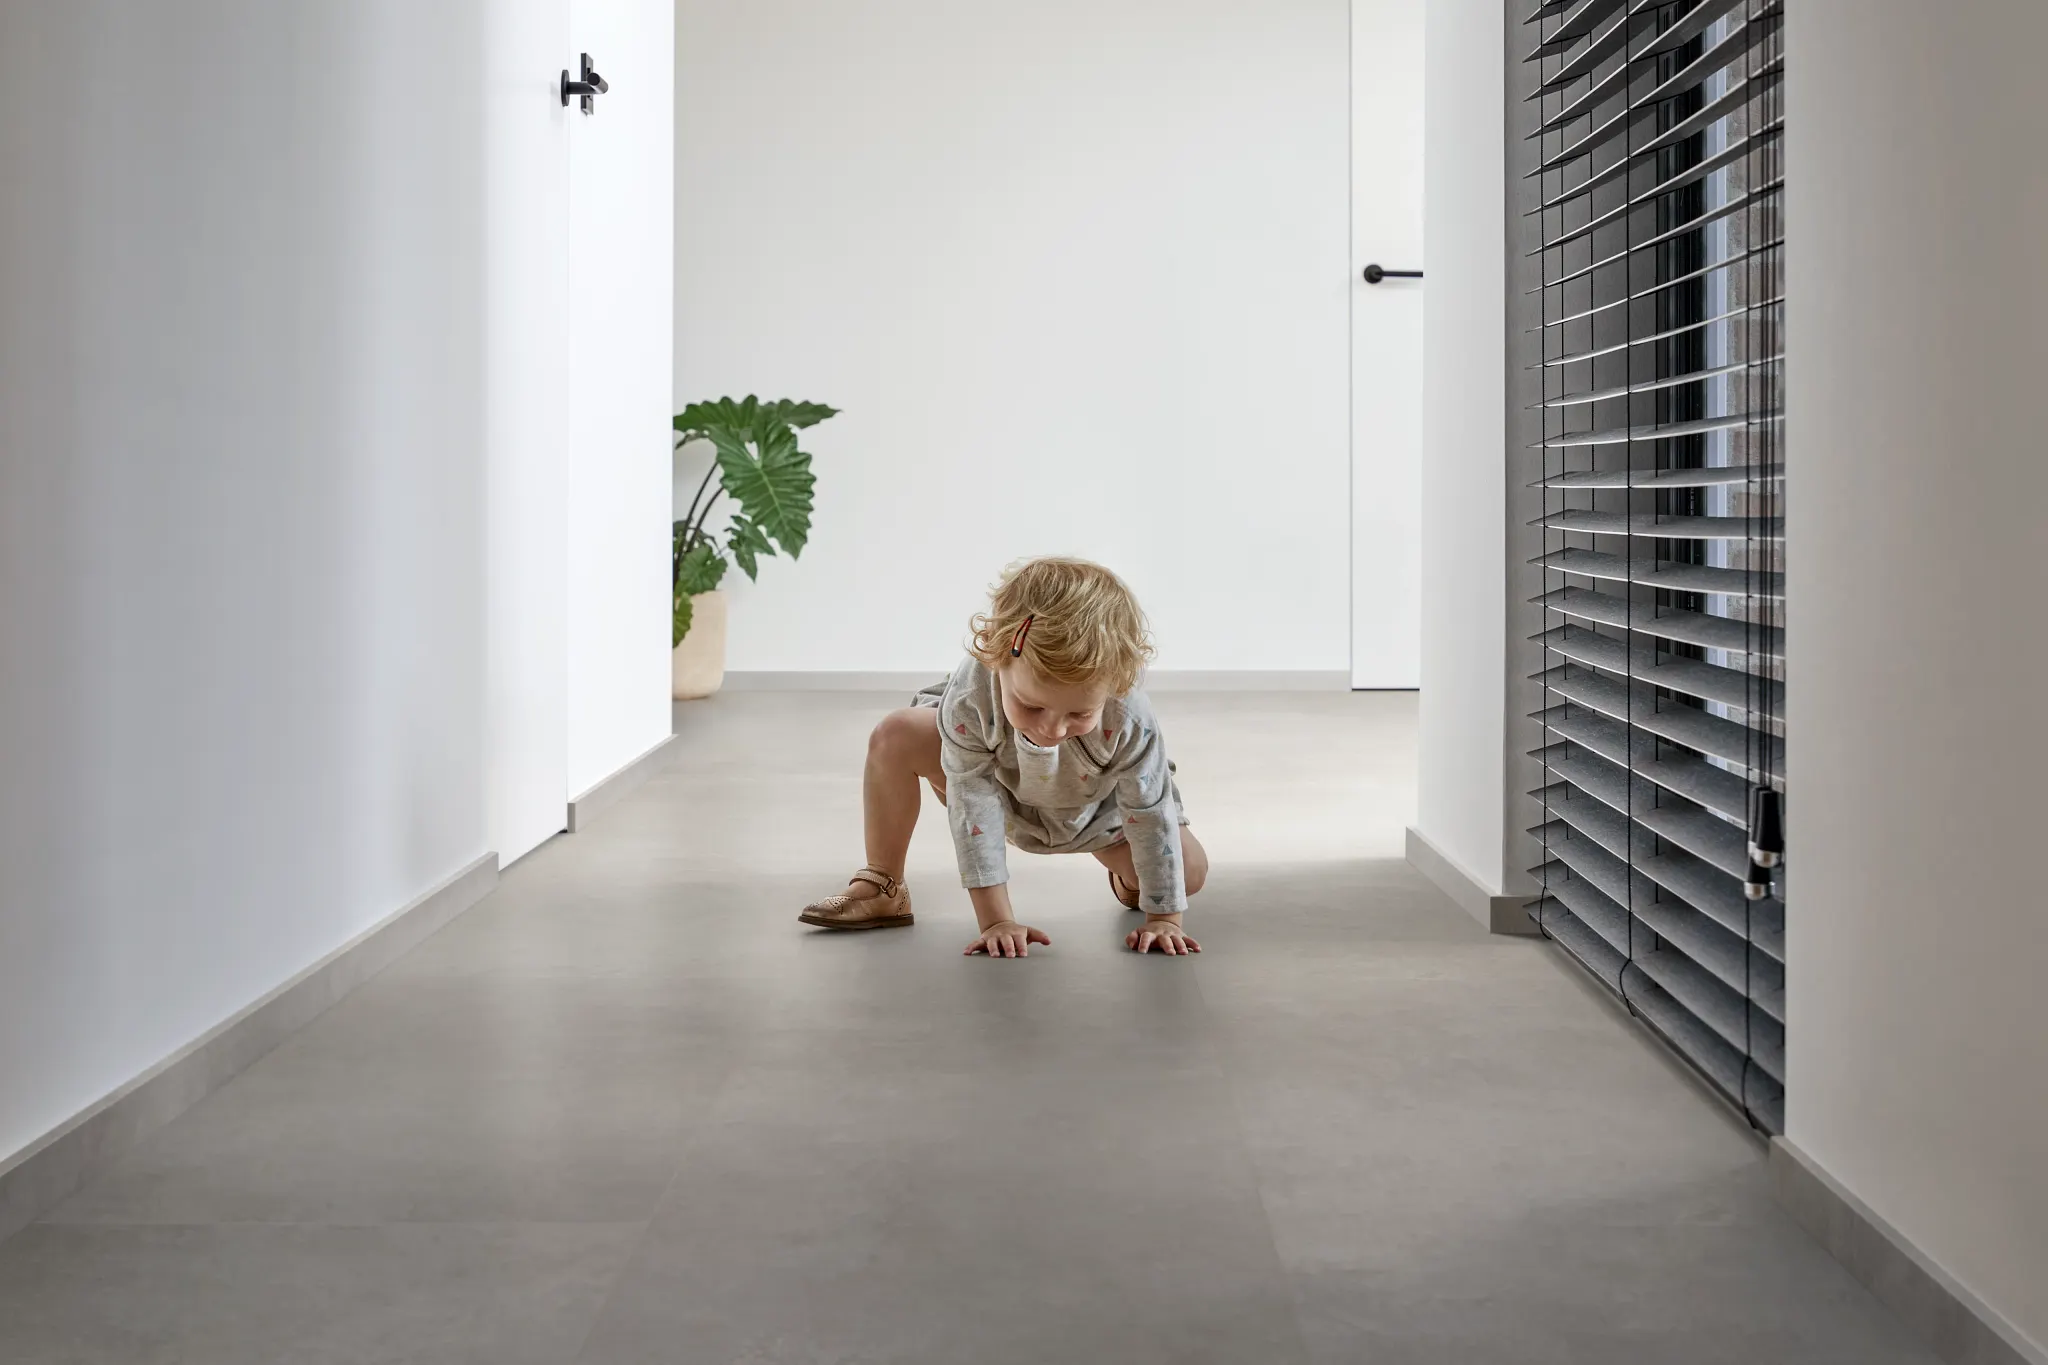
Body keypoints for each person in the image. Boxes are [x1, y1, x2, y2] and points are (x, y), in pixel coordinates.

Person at [797, 556, 1208, 957]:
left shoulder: (1129, 714)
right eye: (1031, 706)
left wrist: (1164, 919)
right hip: (1003, 785)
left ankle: (1130, 880)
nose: (1052, 729)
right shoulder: (972, 690)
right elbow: (972, 803)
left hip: (1097, 809)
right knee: (896, 733)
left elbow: (1150, 811)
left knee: (1187, 872)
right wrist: (996, 921)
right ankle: (885, 886)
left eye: (1079, 713)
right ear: (995, 658)